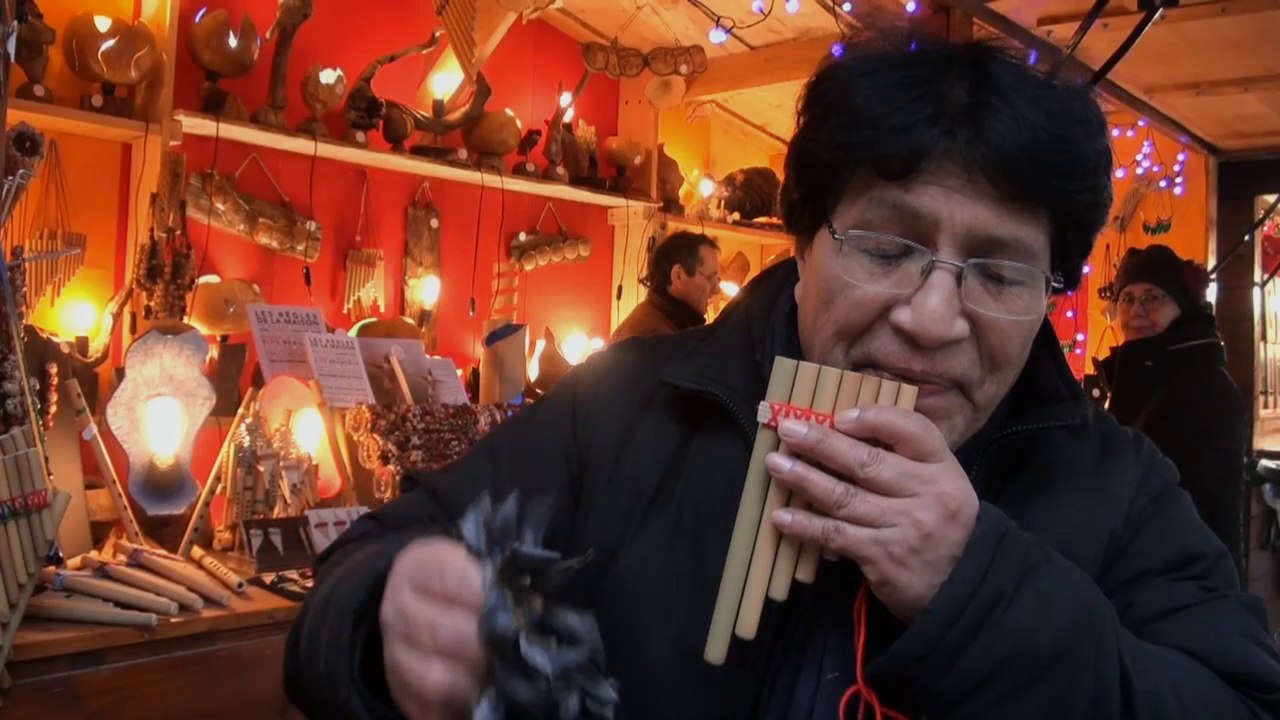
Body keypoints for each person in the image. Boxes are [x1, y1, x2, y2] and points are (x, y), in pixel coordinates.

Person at [284, 41, 1280, 719]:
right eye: (887, 247)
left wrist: (978, 588)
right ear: (801, 242)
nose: (931, 319)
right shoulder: (629, 406)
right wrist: (386, 614)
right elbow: (356, 578)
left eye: (996, 269)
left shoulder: (1116, 486)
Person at [1096, 244, 1246, 573]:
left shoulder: (1203, 386)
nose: (1137, 310)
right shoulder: (1141, 375)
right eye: (1128, 298)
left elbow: (1208, 511)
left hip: (1184, 580)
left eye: (1153, 297)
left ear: (1183, 307)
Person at [610, 230, 720, 342]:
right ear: (678, 276)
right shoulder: (652, 336)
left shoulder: (667, 325)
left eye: (718, 280)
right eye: (710, 278)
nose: (717, 289)